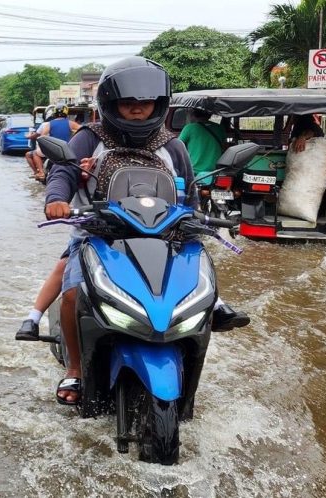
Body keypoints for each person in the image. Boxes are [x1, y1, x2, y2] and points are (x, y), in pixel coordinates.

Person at [43, 56, 249, 405]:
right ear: (111, 104)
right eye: (128, 104)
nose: (137, 111)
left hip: (166, 236)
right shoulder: (90, 138)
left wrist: (196, 219)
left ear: (159, 104)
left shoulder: (173, 145)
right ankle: (76, 370)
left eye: (145, 103)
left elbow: (190, 192)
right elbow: (62, 171)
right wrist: (56, 198)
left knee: (200, 288)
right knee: (73, 294)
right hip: (99, 236)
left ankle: (206, 320)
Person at [29, 103, 82, 181]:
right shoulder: (71, 123)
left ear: (54, 113)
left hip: (53, 150)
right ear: (66, 112)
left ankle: (41, 173)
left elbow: (42, 137)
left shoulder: (49, 124)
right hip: (67, 150)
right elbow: (83, 129)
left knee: (35, 153)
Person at [178, 108, 227, 177]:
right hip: (215, 171)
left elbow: (177, 146)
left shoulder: (189, 128)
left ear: (193, 115)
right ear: (210, 115)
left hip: (194, 171)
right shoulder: (219, 128)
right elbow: (224, 147)